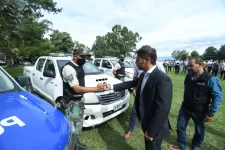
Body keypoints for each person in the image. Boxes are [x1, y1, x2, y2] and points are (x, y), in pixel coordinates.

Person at [105, 45, 173, 150]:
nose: (135, 62)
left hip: (155, 126)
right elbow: (130, 83)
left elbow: (163, 109)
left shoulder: (162, 79)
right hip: (146, 121)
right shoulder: (143, 75)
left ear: (147, 60)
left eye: (138, 59)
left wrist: (152, 131)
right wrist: (111, 87)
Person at [169, 57, 223, 150]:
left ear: (200, 65)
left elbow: (217, 96)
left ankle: (196, 146)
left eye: (191, 65)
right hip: (185, 107)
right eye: (188, 65)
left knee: (199, 130)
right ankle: (181, 145)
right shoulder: (188, 76)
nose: (188, 67)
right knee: (180, 127)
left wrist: (211, 113)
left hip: (200, 110)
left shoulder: (211, 79)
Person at [61, 49, 105, 150]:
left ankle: (75, 144)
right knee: (71, 128)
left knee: (78, 125)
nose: (84, 59)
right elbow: (76, 88)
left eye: (86, 57)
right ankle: (70, 147)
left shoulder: (79, 66)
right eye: (82, 57)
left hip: (79, 100)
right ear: (75, 56)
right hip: (71, 103)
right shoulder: (68, 68)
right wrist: (96, 89)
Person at [124, 60, 166, 140]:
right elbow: (135, 78)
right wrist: (134, 89)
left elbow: (162, 79)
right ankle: (130, 130)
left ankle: (152, 130)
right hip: (140, 92)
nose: (136, 61)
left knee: (151, 112)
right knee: (134, 111)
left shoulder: (159, 65)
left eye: (138, 58)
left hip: (151, 95)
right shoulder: (138, 66)